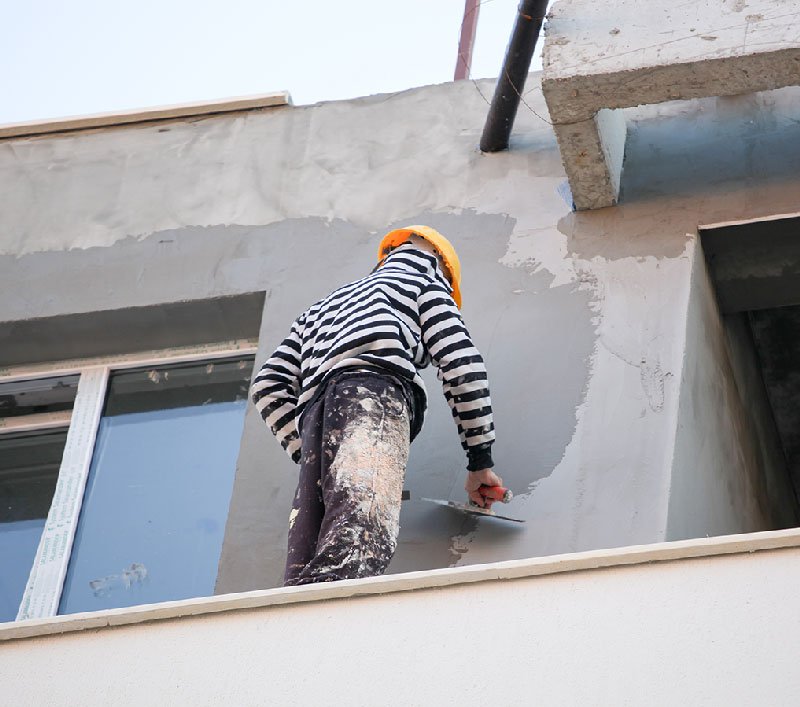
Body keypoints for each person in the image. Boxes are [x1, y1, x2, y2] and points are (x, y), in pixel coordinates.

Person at [251, 225, 502, 586]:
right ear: (443, 268)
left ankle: (295, 632)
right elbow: (463, 367)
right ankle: (321, 628)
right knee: (363, 536)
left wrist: (309, 450)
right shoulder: (426, 283)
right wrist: (480, 461)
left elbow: (267, 386)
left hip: (314, 420)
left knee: (306, 561)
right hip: (373, 398)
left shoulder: (324, 306)